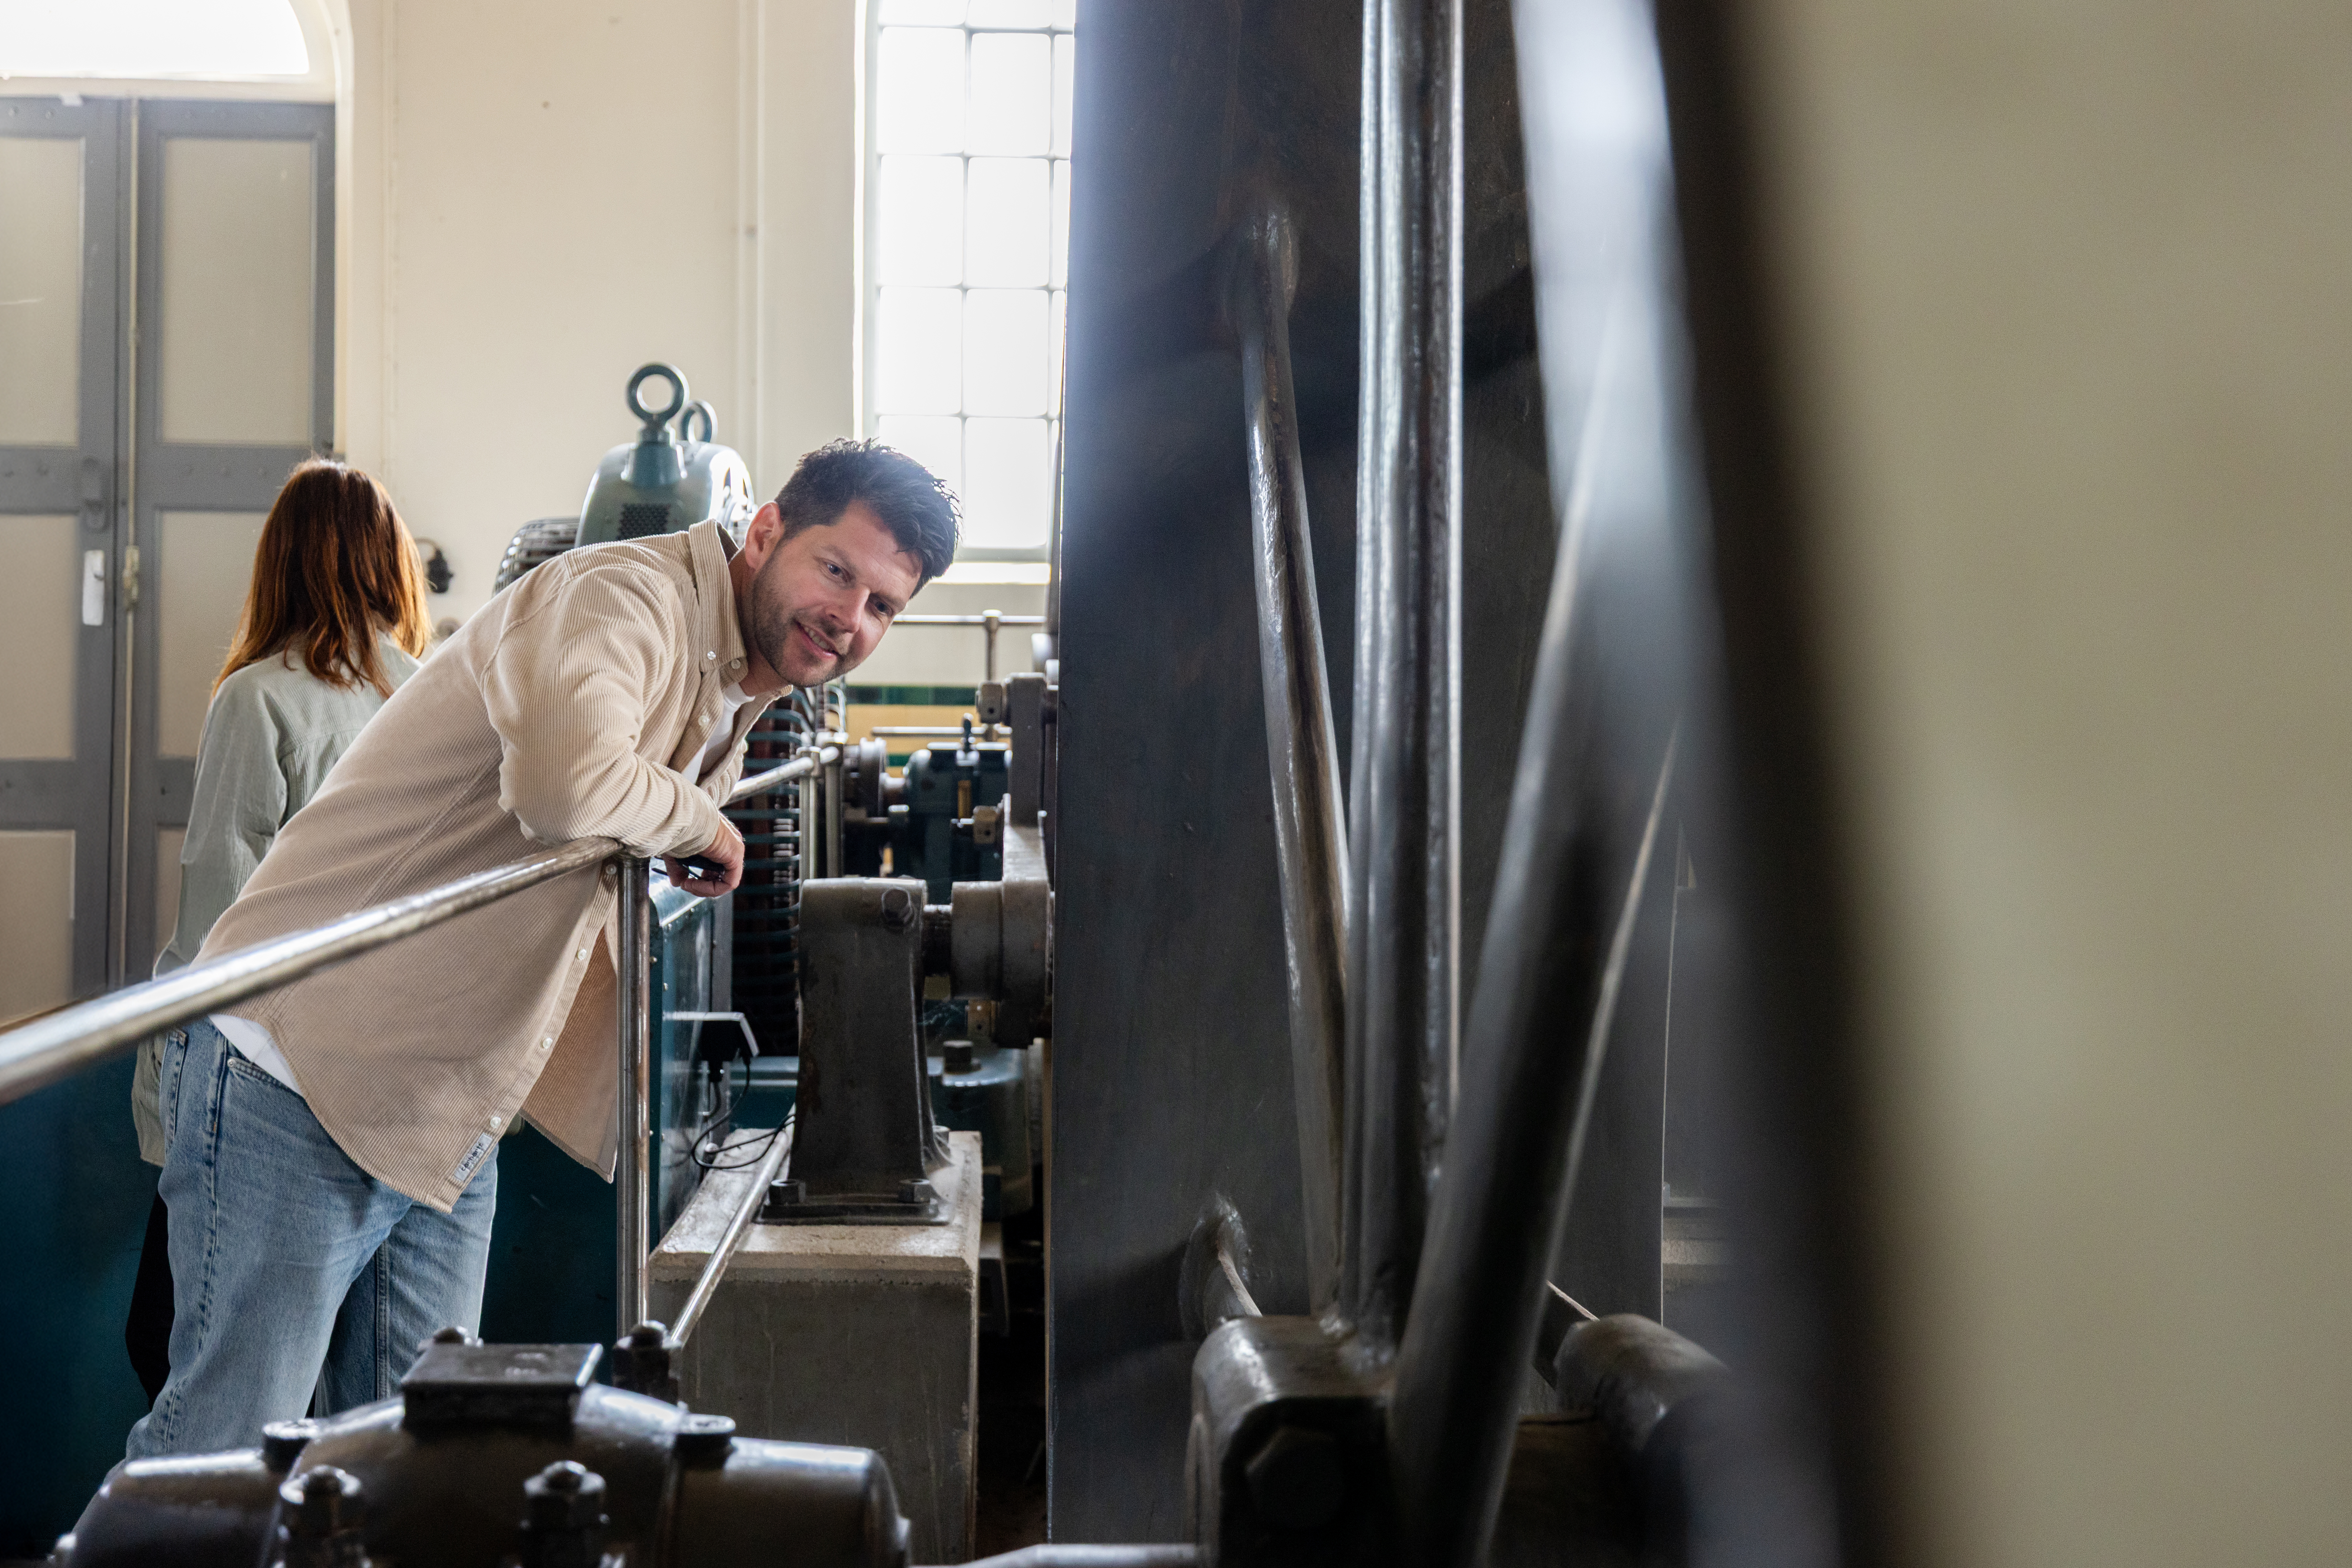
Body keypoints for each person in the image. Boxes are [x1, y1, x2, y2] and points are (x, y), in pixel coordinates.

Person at [125, 438, 957, 1459]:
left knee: (413, 1452)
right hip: (297, 1074)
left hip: (447, 1107)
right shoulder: (625, 597)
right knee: (220, 1447)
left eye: (883, 606)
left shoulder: (731, 682)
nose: (851, 618)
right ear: (768, 527)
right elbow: (565, 783)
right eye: (838, 572)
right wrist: (703, 823)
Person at [125, 459, 434, 1407]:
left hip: (257, 1071)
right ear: (392, 562)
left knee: (180, 1353)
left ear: (282, 561)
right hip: (390, 1070)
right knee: (356, 1380)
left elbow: (220, 911)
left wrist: (162, 1087)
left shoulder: (260, 696)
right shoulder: (426, 695)